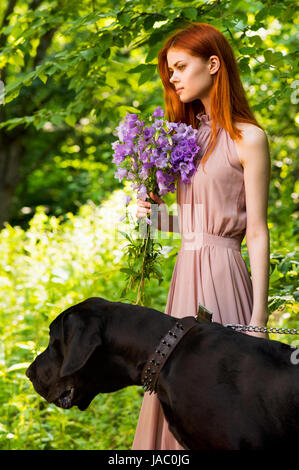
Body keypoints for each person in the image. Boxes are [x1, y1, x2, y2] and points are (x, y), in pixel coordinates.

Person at [133, 22, 271, 450]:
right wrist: (148, 214)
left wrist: (259, 321)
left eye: (179, 66)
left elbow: (257, 231)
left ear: (213, 64)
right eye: (169, 71)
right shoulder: (184, 140)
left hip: (223, 276)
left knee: (221, 396)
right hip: (184, 277)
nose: (172, 78)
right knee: (175, 389)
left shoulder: (248, 138)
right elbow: (186, 227)